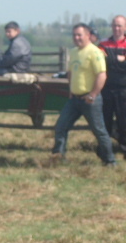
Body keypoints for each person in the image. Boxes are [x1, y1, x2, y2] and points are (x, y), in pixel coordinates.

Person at [51, 23, 115, 166]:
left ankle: (110, 160)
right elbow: (71, 73)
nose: (76, 38)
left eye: (79, 35)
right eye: (74, 35)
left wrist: (92, 95)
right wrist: (70, 90)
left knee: (99, 131)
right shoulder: (74, 52)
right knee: (61, 126)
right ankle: (57, 157)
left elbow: (102, 76)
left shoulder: (95, 52)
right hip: (74, 99)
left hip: (90, 100)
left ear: (88, 35)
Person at [99, 15, 126, 153]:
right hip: (107, 89)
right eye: (114, 25)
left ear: (125, 27)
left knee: (124, 120)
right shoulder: (103, 44)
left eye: (119, 26)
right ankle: (105, 149)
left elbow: (110, 62)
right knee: (105, 119)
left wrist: (112, 60)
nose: (116, 28)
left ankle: (123, 148)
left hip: (124, 89)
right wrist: (120, 61)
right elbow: (100, 64)